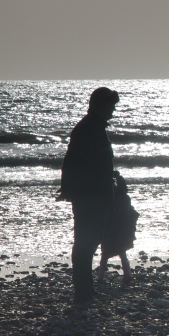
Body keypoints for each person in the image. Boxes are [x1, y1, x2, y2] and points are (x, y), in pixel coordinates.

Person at [58, 87, 119, 305]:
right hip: (90, 197)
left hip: (94, 195)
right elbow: (72, 162)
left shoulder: (93, 127)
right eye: (111, 106)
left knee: (89, 242)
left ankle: (85, 289)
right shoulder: (88, 128)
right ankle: (82, 290)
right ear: (100, 106)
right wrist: (70, 190)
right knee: (86, 243)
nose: (113, 110)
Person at [97, 171, 138, 285]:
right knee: (121, 251)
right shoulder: (123, 198)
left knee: (105, 253)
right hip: (120, 229)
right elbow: (123, 188)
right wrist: (118, 176)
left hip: (110, 229)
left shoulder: (107, 199)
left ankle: (101, 277)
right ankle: (127, 275)